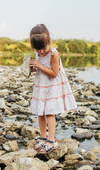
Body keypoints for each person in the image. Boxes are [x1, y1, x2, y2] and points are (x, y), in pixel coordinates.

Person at [28, 24, 77, 153]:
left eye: (43, 49)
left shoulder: (54, 54)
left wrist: (38, 64)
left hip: (52, 85)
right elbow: (38, 68)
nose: (41, 52)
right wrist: (31, 67)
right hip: (41, 85)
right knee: (40, 111)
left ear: (48, 41)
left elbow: (54, 73)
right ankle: (43, 136)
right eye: (38, 50)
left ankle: (51, 139)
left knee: (49, 112)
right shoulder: (38, 52)